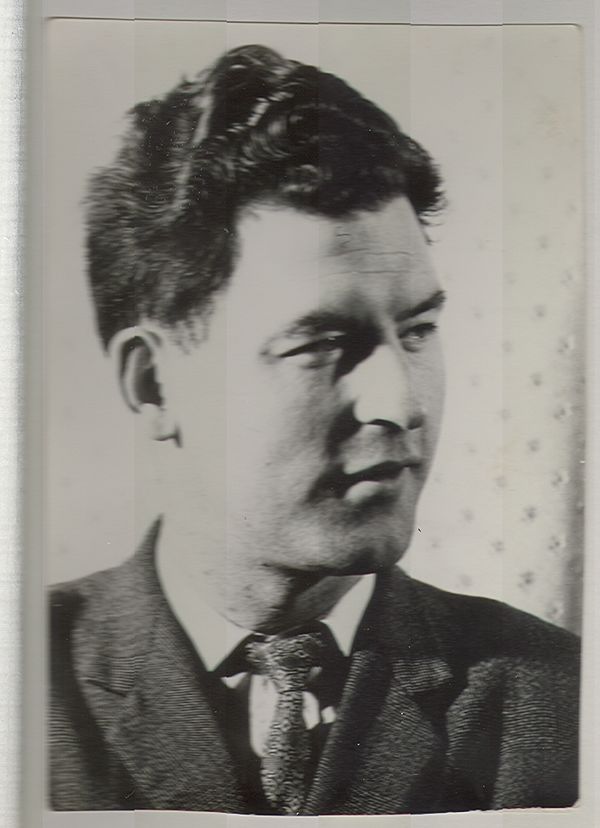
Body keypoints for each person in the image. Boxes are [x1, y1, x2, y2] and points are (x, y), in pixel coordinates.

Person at [49, 45, 579, 815]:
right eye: (322, 344)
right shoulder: (25, 687)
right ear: (154, 383)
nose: (399, 402)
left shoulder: (560, 705)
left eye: (417, 330)